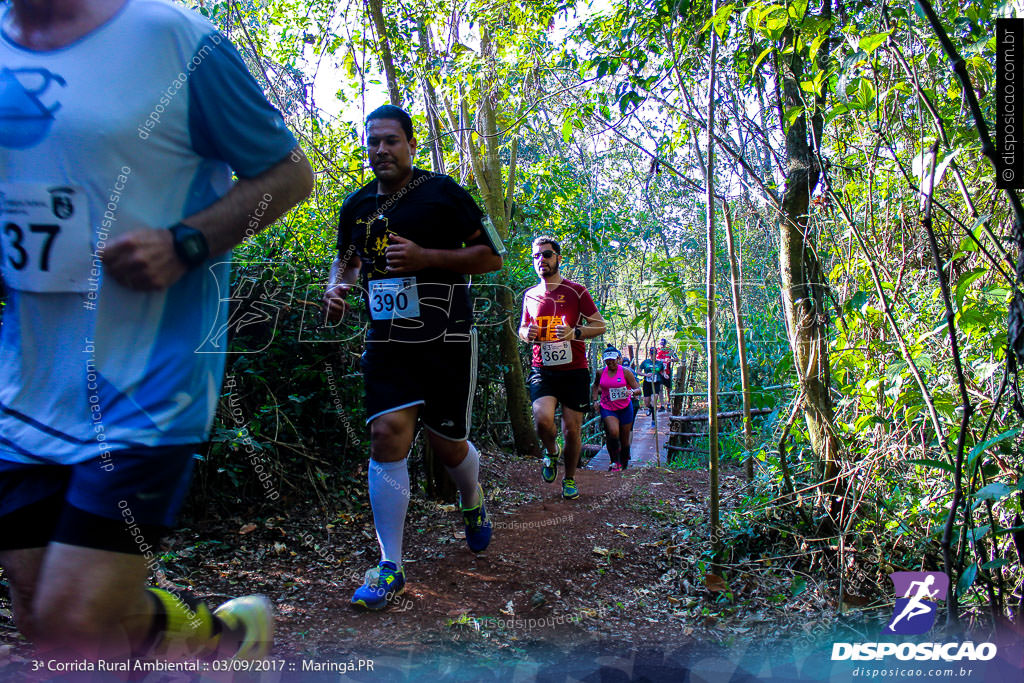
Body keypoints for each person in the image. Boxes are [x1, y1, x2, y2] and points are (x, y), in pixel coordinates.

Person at [0, 0, 313, 660]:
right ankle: (212, 645)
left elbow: (289, 173)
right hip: (25, 382)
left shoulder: (176, 42)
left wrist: (187, 242)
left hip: (145, 382)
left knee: (69, 620)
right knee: (38, 609)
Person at [322, 105, 503, 611]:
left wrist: (427, 258)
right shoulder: (356, 206)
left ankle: (472, 497)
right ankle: (391, 566)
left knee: (450, 450)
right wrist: (336, 289)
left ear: (410, 145)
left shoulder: (444, 193)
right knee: (386, 437)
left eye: (391, 141)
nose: (381, 150)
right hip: (388, 340)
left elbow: (491, 257)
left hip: (447, 338)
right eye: (373, 141)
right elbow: (347, 262)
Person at [518, 236, 606, 499]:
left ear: (558, 258)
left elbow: (600, 325)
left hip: (575, 370)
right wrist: (526, 333)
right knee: (543, 420)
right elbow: (522, 329)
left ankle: (569, 478)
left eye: (546, 255)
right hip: (542, 369)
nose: (541, 260)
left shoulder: (576, 291)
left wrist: (574, 332)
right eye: (536, 256)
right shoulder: (530, 295)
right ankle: (551, 451)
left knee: (571, 429)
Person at [591, 347, 640, 471]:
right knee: (613, 432)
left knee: (624, 438)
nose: (610, 363)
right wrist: (595, 400)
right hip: (608, 407)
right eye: (608, 361)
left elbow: (638, 389)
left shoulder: (626, 372)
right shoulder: (600, 372)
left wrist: (632, 392)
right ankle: (615, 461)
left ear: (618, 359)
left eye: (613, 360)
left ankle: (624, 459)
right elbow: (595, 385)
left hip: (625, 408)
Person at [638, 348, 664, 424]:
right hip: (647, 383)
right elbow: (638, 372)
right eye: (652, 354)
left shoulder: (659, 363)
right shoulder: (645, 362)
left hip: (656, 383)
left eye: (655, 354)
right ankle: (650, 408)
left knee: (654, 401)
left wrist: (665, 375)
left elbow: (662, 372)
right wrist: (645, 374)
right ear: (650, 354)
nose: (653, 355)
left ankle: (653, 420)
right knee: (647, 403)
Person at [655, 338, 678, 412]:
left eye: (663, 344)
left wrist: (670, 360)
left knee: (669, 389)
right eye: (661, 344)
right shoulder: (657, 351)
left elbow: (677, 359)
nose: (662, 346)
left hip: (668, 371)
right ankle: (662, 405)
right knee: (660, 388)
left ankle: (668, 403)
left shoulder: (669, 350)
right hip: (659, 372)